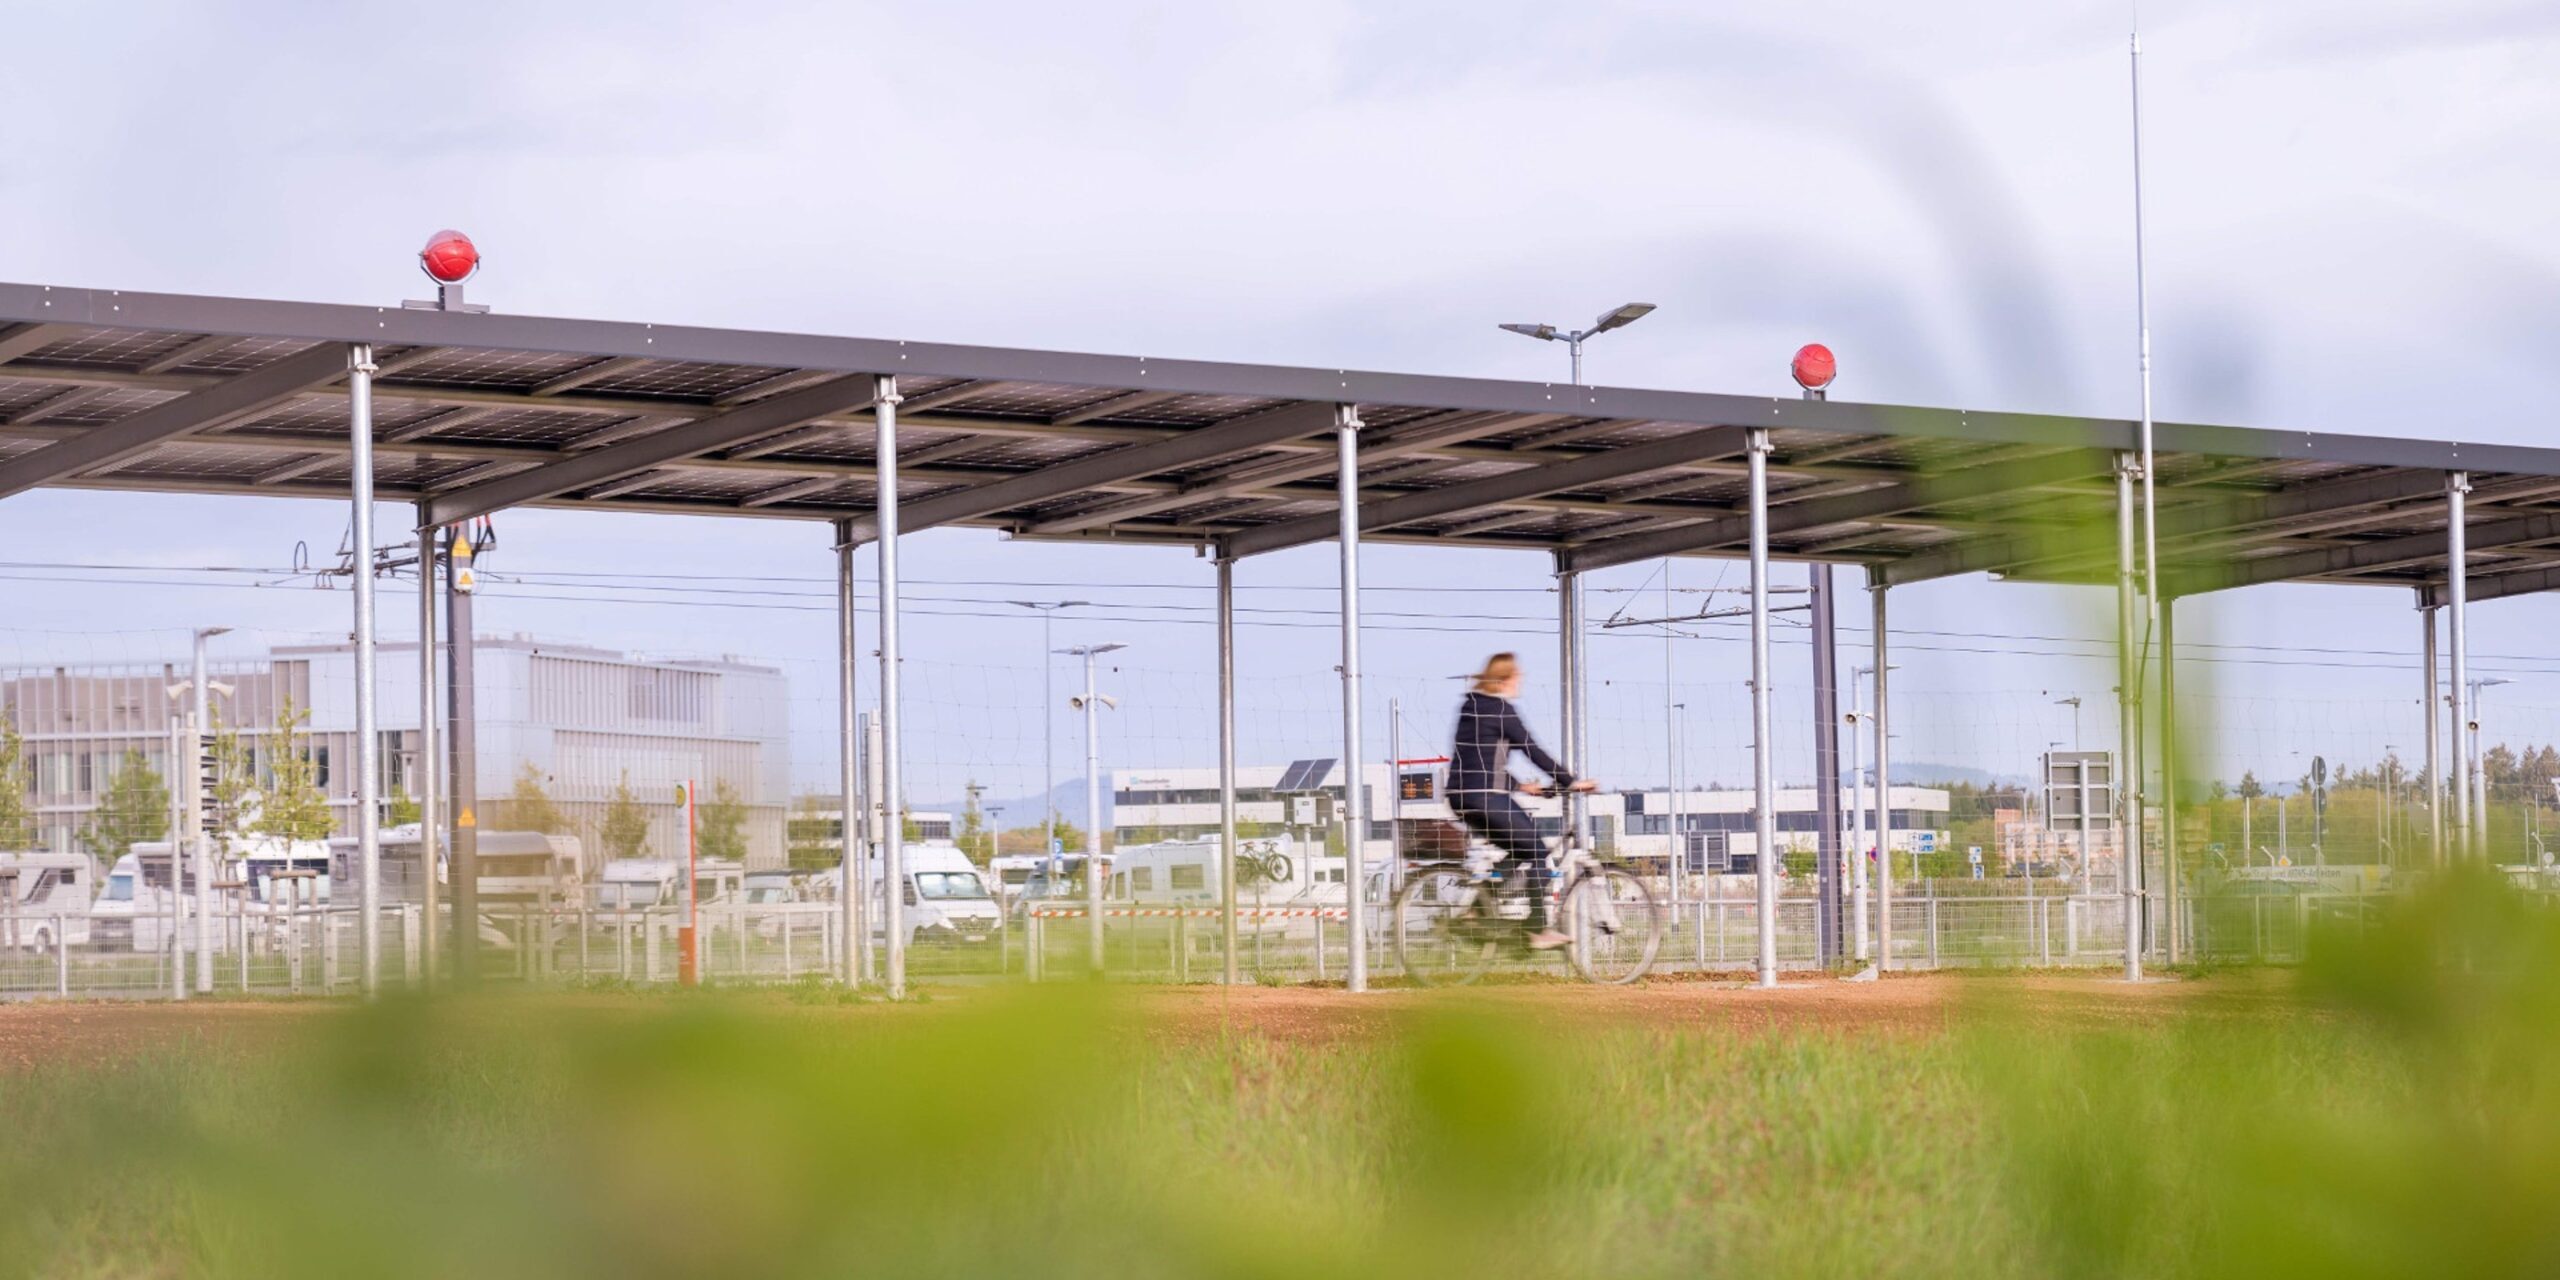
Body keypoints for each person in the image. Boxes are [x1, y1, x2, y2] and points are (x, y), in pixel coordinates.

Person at [1447, 652, 1597, 950]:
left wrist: (1520, 786)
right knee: (1538, 851)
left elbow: (1480, 758)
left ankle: (1475, 911)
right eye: (1518, 679)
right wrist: (1571, 782)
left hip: (1460, 797)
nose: (1520, 685)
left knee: (1518, 850)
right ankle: (1538, 928)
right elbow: (1532, 749)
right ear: (1505, 680)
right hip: (1488, 798)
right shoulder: (1502, 710)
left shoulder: (1470, 707)